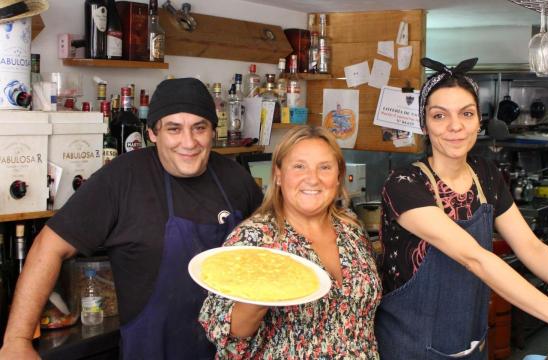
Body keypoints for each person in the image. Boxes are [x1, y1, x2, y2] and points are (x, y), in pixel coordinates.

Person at [0, 78, 263, 360]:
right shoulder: (121, 179)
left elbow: (271, 252)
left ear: (212, 130)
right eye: (174, 129)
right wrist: (17, 339)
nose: (189, 142)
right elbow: (48, 247)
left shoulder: (236, 180)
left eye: (199, 128)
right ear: (152, 133)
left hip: (231, 352)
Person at [374, 58, 548, 359]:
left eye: (466, 113)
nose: (455, 126)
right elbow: (474, 258)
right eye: (439, 116)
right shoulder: (404, 183)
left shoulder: (486, 175)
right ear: (424, 124)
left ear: (479, 120)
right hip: (410, 345)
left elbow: (531, 247)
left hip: (470, 341)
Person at [199, 126, 381, 359]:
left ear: (338, 176)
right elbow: (227, 334)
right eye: (299, 166)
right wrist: (265, 287)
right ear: (277, 174)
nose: (312, 178)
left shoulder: (352, 229)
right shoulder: (254, 238)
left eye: (324, 167)